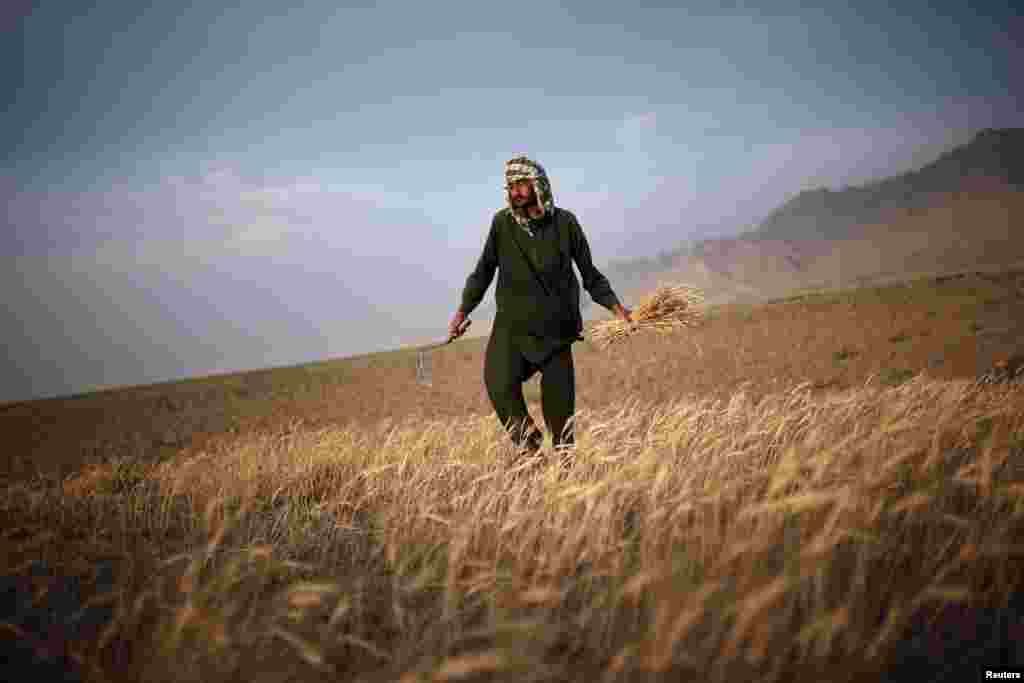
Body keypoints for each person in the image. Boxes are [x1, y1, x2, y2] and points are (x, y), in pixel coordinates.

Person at [448, 155, 632, 466]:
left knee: (562, 431)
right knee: (497, 382)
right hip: (512, 329)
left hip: (556, 334)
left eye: (521, 184)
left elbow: (591, 276)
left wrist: (618, 309)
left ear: (538, 185)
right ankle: (531, 449)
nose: (515, 192)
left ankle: (563, 476)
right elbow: (483, 272)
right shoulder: (501, 224)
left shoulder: (566, 224)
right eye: (510, 186)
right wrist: (462, 311)